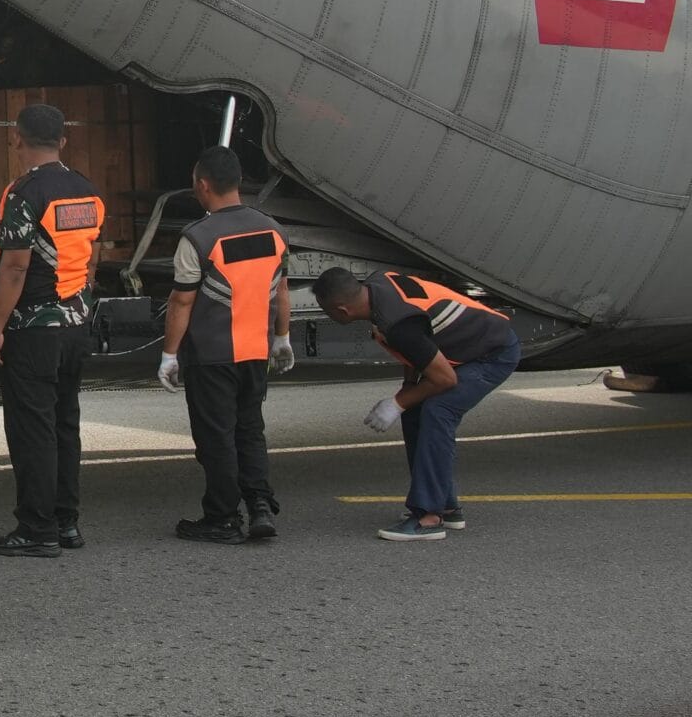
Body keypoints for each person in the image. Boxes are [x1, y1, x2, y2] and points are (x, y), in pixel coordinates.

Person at [0, 104, 104, 557]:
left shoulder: (23, 193)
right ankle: (66, 522)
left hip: (34, 327)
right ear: (63, 141)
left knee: (33, 429)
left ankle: (36, 528)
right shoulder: (86, 189)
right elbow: (90, 259)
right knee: (65, 424)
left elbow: (14, 266)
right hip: (75, 325)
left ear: (17, 139)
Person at [314, 267, 521, 541]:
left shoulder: (397, 325)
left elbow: (444, 378)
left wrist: (397, 403)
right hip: (469, 347)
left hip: (492, 353)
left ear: (342, 312)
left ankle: (428, 517)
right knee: (415, 410)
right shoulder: (379, 282)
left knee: (439, 410)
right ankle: (446, 506)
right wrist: (408, 391)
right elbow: (418, 350)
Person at [157, 145, 296, 543]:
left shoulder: (197, 238)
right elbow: (280, 290)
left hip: (211, 356)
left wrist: (169, 355)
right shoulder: (274, 229)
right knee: (250, 430)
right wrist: (282, 337)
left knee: (216, 438)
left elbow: (182, 301)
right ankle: (260, 507)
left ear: (202, 185)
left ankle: (221, 517)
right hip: (256, 351)